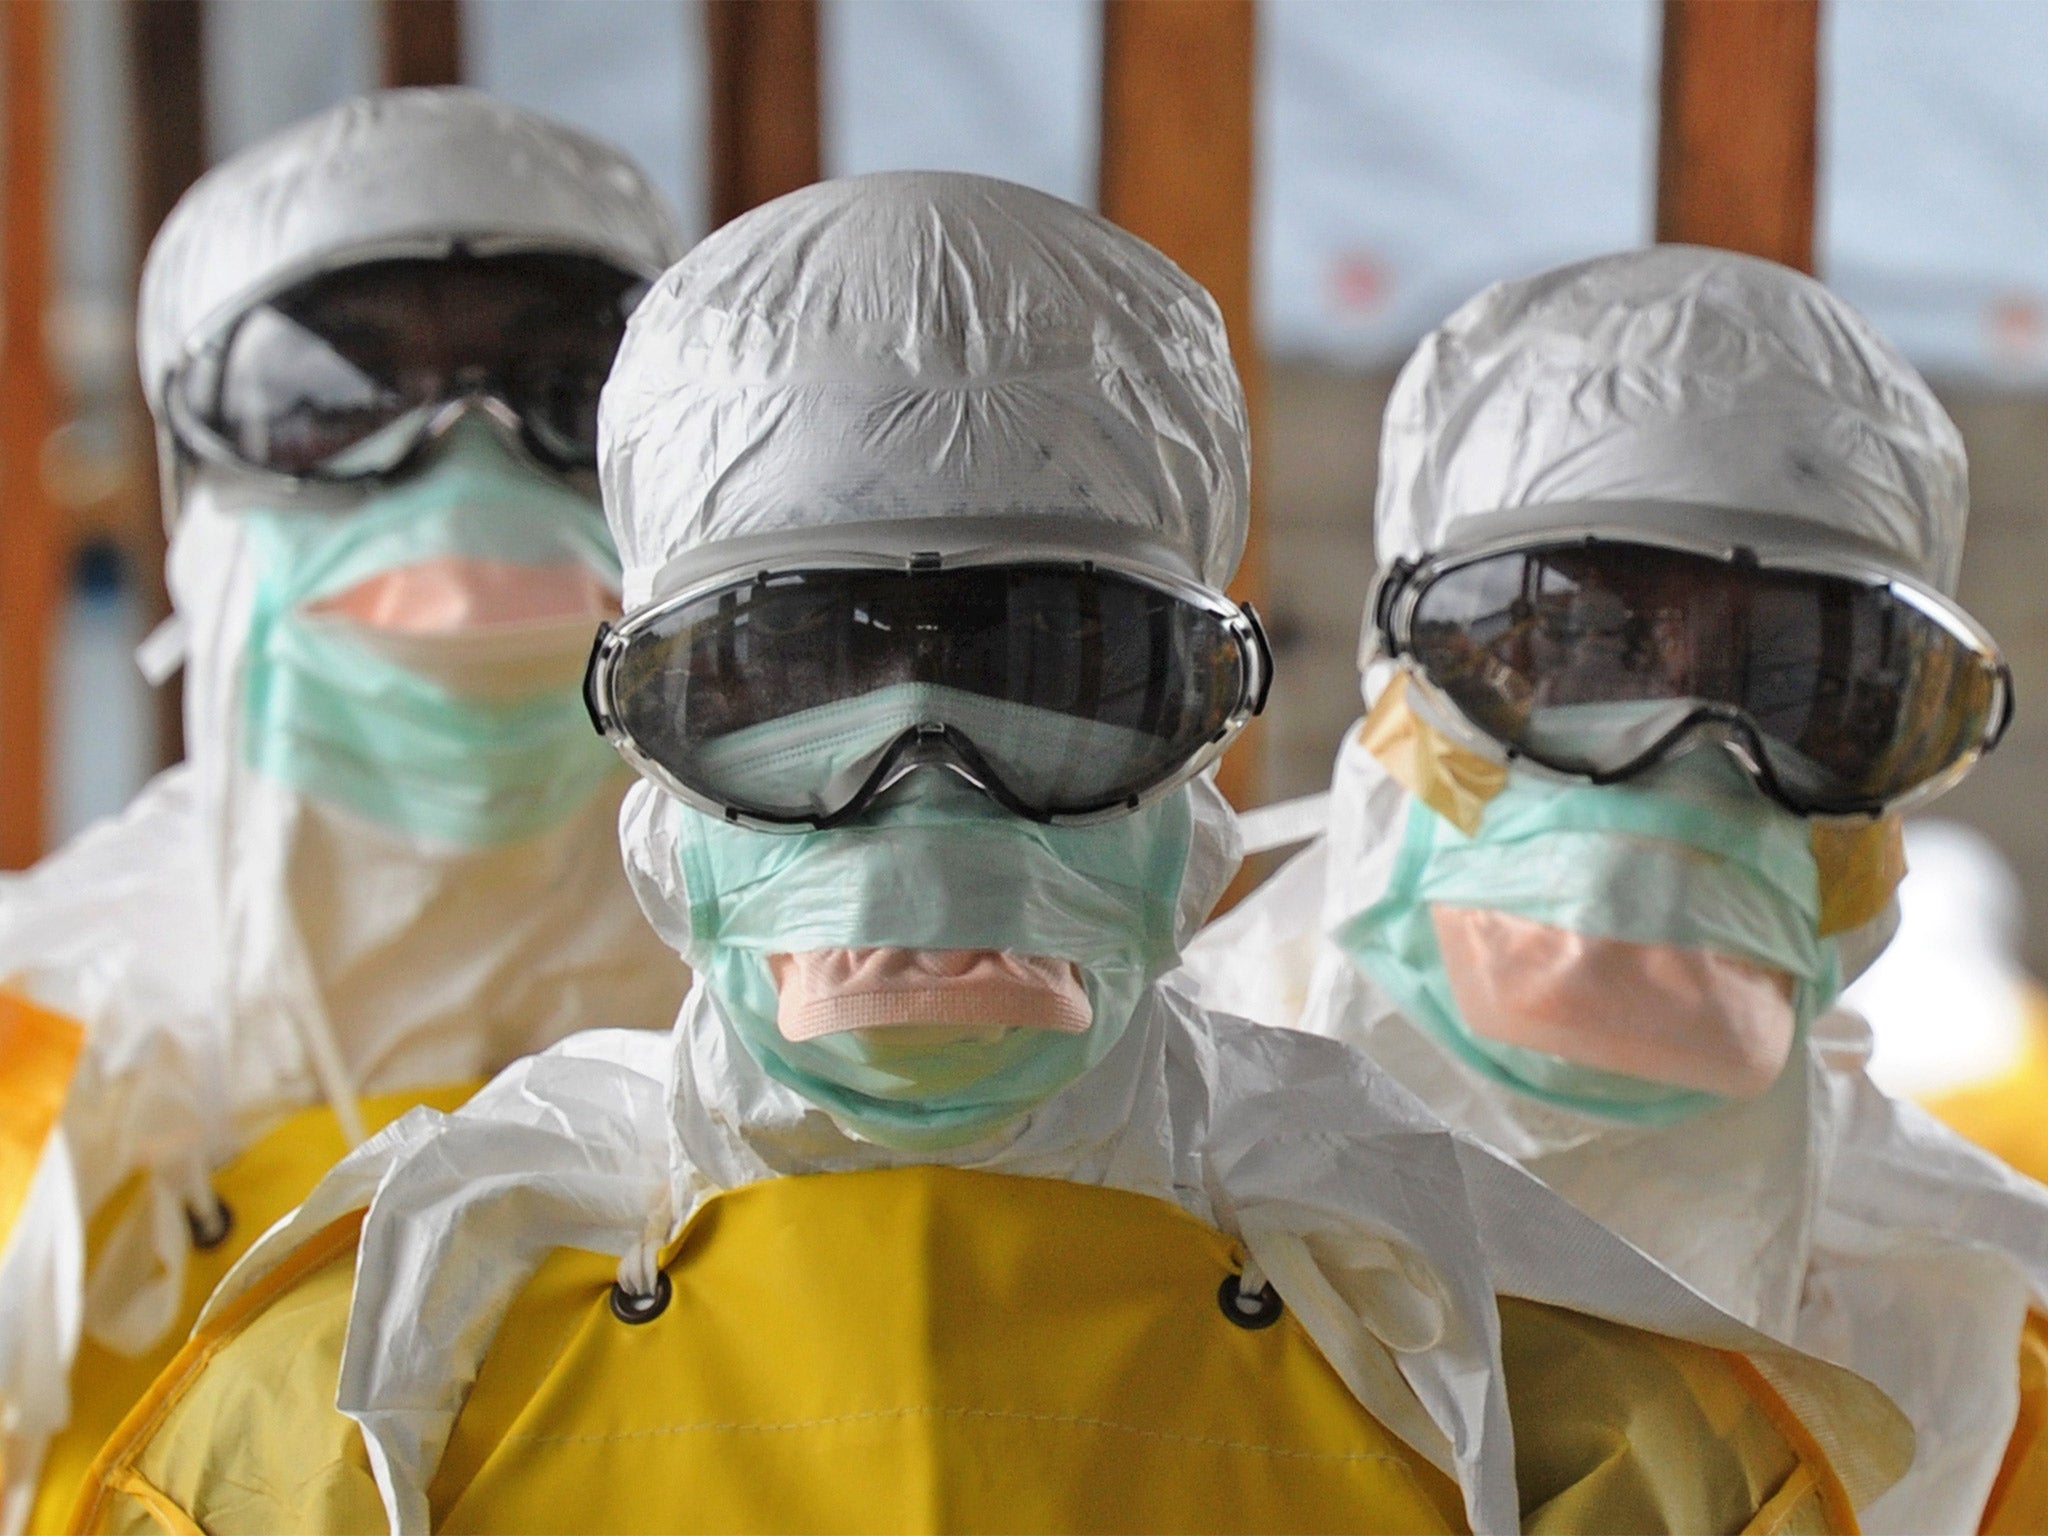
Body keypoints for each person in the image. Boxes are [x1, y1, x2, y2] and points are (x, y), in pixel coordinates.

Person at [73, 175, 1912, 1536]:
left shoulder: (1560, 1422)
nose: (924, 787)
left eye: (1057, 671)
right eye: (797, 668)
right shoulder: (365, 1405)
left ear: (1207, 738)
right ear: (648, 751)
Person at [1185, 245, 2048, 1534]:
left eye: (1803, 688)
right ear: (1399, 688)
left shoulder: (1973, 1341)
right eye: (1578, 652)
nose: (1684, 779)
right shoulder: (1128, 1200)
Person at [0, 89, 689, 1530]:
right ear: (193, 497)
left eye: (567, 389)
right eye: (331, 402)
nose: (464, 487)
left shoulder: (884, 1051)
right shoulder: (39, 1083)